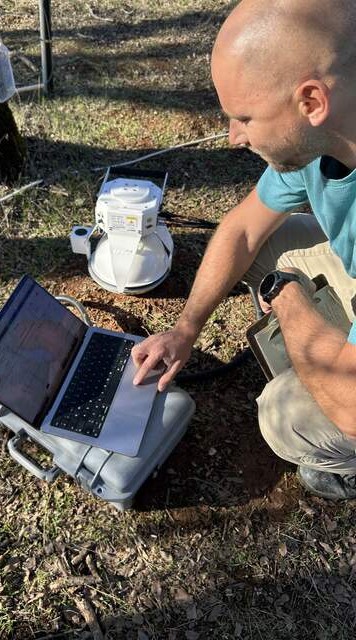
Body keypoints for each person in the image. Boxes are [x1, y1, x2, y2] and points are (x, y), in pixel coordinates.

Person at [132, 0, 356, 500]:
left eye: (246, 117)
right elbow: (241, 231)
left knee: (286, 418)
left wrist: (288, 297)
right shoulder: (325, 135)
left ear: (312, 101)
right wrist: (186, 329)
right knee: (270, 240)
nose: (234, 137)